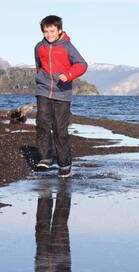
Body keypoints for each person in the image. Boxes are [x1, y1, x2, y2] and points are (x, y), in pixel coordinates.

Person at [34, 15, 88, 178]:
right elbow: (39, 67)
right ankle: (45, 157)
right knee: (42, 123)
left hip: (62, 94)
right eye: (46, 31)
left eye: (52, 31)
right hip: (43, 90)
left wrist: (69, 74)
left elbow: (82, 64)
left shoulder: (67, 46)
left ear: (59, 31)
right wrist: (41, 80)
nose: (49, 34)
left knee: (59, 129)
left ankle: (64, 164)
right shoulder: (39, 47)